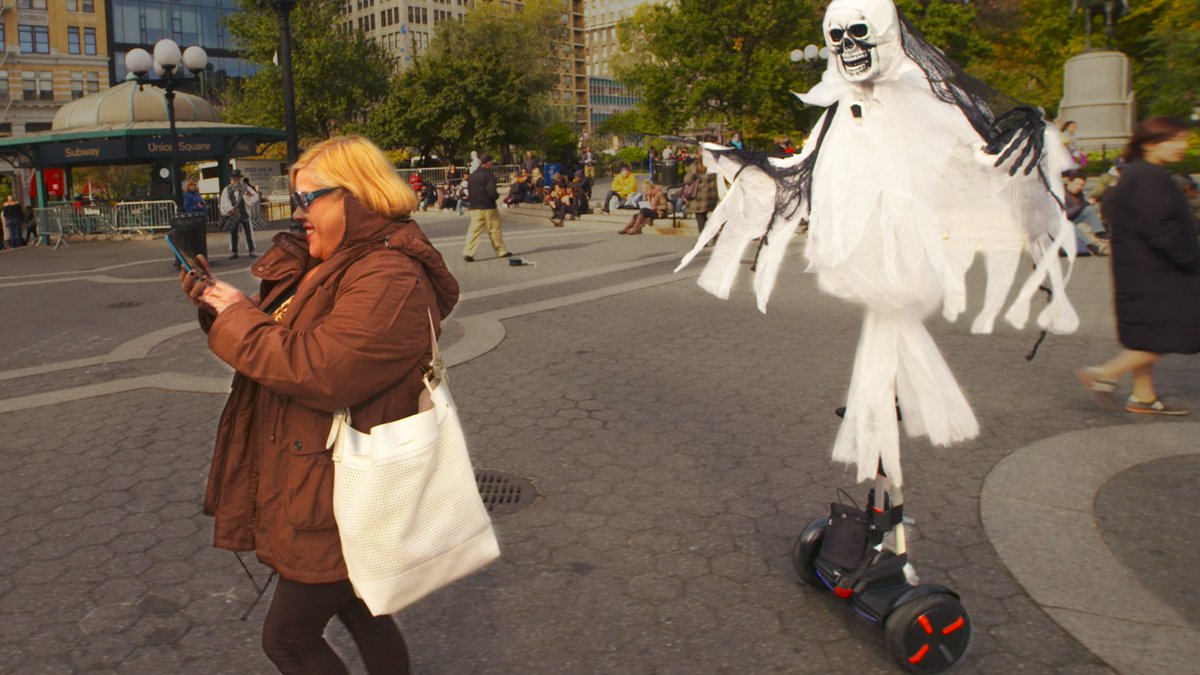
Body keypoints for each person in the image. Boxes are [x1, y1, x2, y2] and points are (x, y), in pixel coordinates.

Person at [178, 134, 460, 673]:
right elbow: (271, 335)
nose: (297, 212)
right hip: (319, 479)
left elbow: (318, 370)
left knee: (287, 640)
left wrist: (238, 315)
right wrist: (220, 309)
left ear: (355, 196)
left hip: (344, 487)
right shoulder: (328, 262)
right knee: (361, 608)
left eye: (309, 199)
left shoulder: (389, 275)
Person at [1077, 116, 1199, 415]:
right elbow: (1160, 228)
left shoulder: (1132, 173)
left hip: (1140, 269)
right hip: (1159, 272)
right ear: (1150, 143)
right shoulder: (1150, 177)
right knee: (1168, 332)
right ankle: (1104, 374)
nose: (1182, 146)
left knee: (1149, 332)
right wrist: (1192, 257)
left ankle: (1143, 396)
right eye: (1175, 140)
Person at [462, 153, 511, 262]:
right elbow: (492, 192)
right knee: (494, 229)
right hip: (488, 207)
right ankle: (501, 251)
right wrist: (496, 197)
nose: (492, 163)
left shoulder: (473, 175)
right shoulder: (489, 175)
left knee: (474, 231)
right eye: (491, 161)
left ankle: (468, 252)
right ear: (488, 162)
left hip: (475, 207)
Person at [1063, 172, 1109, 256]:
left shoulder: (1079, 194)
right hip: (1061, 221)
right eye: (1077, 184)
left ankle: (1100, 232)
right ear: (1069, 182)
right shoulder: (1061, 193)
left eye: (1082, 185)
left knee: (1089, 209)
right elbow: (1065, 215)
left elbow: (1082, 207)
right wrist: (1084, 204)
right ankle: (1090, 245)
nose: (1079, 187)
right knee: (1069, 225)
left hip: (1073, 218)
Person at [219, 170, 257, 259]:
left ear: (240, 178)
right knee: (233, 233)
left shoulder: (245, 187)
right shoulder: (227, 189)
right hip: (233, 215)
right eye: (234, 177)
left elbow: (255, 197)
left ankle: (251, 250)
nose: (235, 179)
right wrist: (230, 209)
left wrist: (248, 195)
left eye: (237, 177)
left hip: (244, 213)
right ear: (231, 178)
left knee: (248, 233)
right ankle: (234, 251)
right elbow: (224, 200)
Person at [683, 154, 719, 237]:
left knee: (700, 218)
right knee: (704, 217)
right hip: (710, 196)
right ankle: (712, 234)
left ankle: (703, 240)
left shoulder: (696, 167)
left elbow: (687, 180)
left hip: (698, 197)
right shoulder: (712, 167)